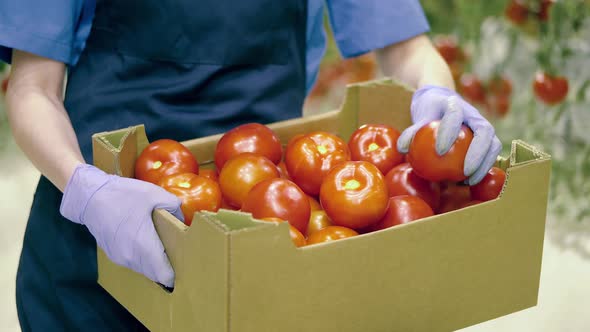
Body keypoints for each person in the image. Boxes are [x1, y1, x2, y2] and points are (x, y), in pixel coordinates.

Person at [0, 0, 501, 330]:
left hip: (268, 232)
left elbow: (407, 49)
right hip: (96, 244)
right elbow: (32, 88)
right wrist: (85, 187)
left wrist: (439, 96)